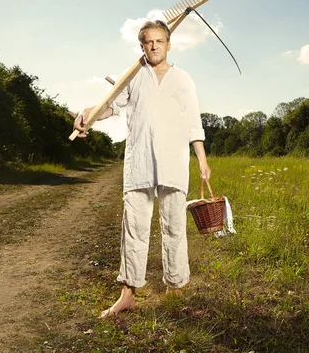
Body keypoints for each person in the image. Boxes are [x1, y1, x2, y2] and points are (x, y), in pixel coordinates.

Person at [73, 20, 210, 318]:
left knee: (174, 228)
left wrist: (201, 159)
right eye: (149, 42)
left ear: (169, 44)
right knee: (134, 230)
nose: (154, 46)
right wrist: (89, 115)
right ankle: (128, 295)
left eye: (160, 41)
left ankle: (176, 290)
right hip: (139, 163)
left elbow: (193, 122)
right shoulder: (133, 77)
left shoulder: (184, 79)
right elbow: (111, 107)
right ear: (142, 46)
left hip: (174, 163)